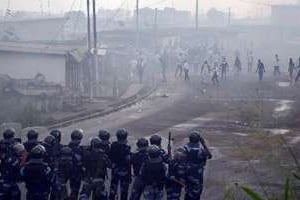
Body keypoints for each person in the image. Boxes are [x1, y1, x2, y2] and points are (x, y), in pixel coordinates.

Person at [183, 131, 212, 200]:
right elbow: (210, 156)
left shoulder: (185, 149)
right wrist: (203, 143)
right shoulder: (201, 151)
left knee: (188, 192)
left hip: (187, 174)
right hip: (197, 176)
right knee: (196, 194)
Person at [109, 128, 131, 200]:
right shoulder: (126, 148)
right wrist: (130, 175)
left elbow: (110, 157)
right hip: (125, 172)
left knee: (113, 188)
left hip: (115, 170)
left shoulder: (113, 145)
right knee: (124, 191)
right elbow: (128, 162)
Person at [68, 129, 84, 200]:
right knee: (75, 191)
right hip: (76, 172)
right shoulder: (77, 149)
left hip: (69, 171)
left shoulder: (68, 146)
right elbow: (79, 161)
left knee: (73, 189)